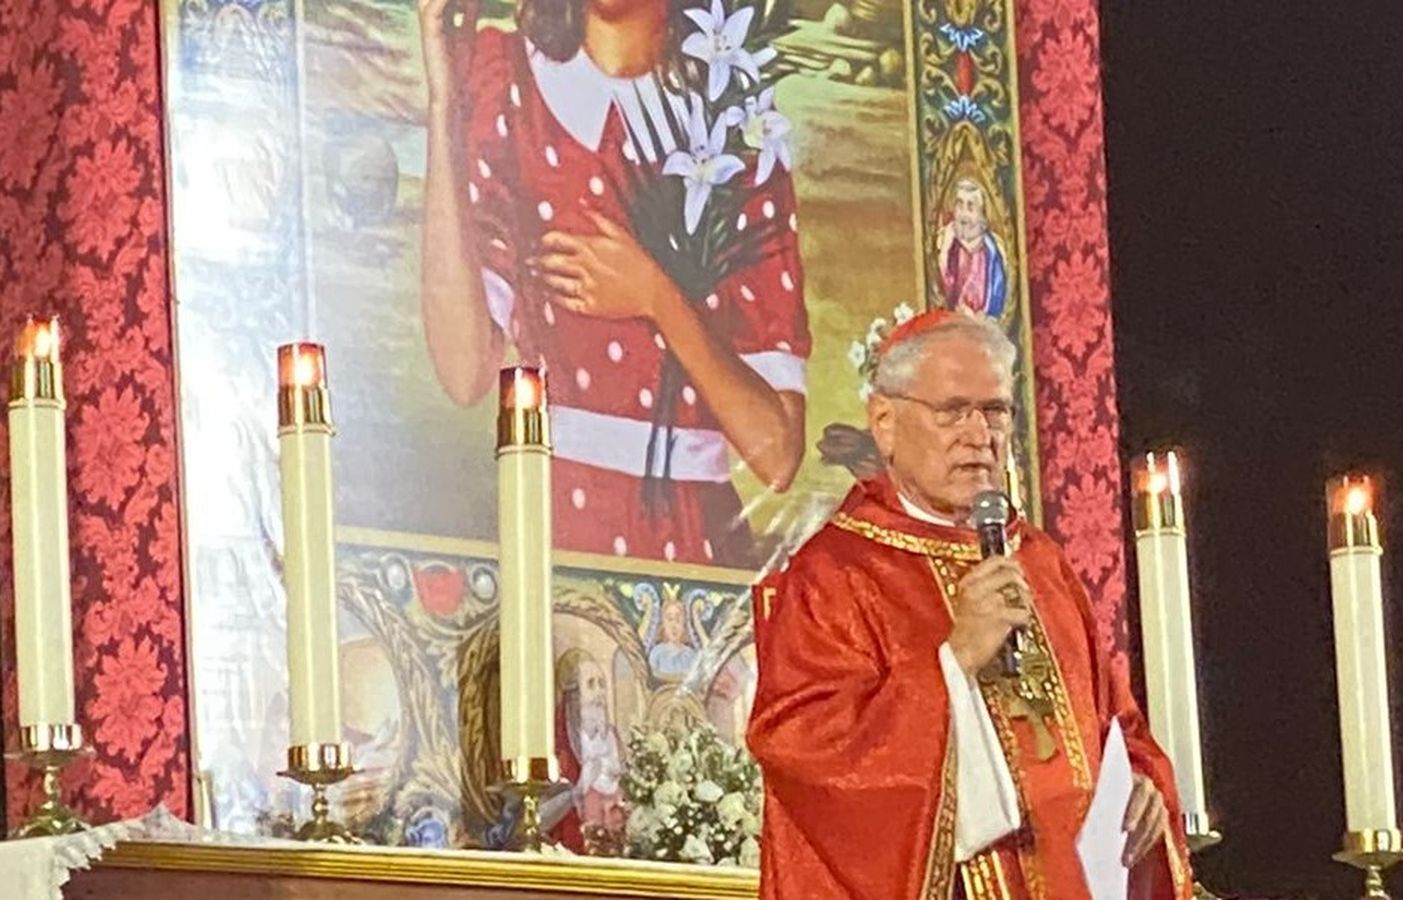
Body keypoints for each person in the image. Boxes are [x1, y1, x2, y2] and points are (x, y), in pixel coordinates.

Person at [746, 311, 1191, 899]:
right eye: (953, 411)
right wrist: (952, 664)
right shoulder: (835, 573)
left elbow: (1117, 725)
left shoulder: (1040, 561)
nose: (979, 435)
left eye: (996, 411)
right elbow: (804, 753)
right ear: (884, 421)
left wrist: (1143, 782)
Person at [417, 0, 810, 568]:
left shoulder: (736, 129)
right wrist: (442, 109)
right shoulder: (507, 81)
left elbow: (777, 455)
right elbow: (462, 373)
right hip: (553, 516)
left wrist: (656, 297)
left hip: (698, 538)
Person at [551, 648, 627, 847]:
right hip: (574, 841)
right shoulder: (559, 736)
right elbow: (547, 809)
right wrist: (581, 786)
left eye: (602, 684)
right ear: (575, 693)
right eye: (591, 684)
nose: (600, 692)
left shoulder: (612, 737)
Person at [937, 178, 1007, 318]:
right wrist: (944, 252)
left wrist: (983, 316)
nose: (964, 214)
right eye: (959, 205)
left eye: (970, 207)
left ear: (982, 215)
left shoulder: (991, 250)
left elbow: (997, 294)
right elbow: (944, 289)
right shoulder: (950, 244)